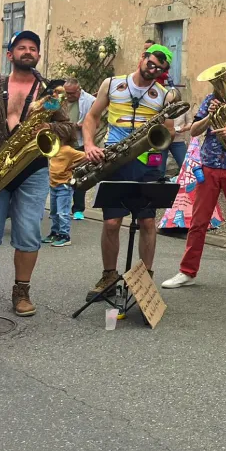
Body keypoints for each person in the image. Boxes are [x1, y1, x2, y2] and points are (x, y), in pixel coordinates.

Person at [0, 31, 68, 317]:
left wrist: (50, 130)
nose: (28, 51)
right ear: (10, 55)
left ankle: (22, 292)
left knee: (29, 233)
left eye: (33, 48)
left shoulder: (50, 92)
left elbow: (68, 129)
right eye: (22, 47)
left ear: (39, 55)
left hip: (33, 170)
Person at [81, 44, 178, 301]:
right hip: (115, 158)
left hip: (149, 164)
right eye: (152, 62)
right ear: (142, 58)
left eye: (161, 67)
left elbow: (169, 133)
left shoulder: (165, 95)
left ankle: (145, 280)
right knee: (112, 223)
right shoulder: (111, 84)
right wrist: (90, 145)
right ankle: (109, 275)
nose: (154, 68)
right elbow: (92, 117)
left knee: (147, 222)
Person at [161, 65, 226, 291]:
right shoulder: (211, 99)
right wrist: (211, 115)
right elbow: (194, 131)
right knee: (198, 222)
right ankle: (187, 272)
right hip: (209, 166)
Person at [56, 77, 96, 220]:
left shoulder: (90, 100)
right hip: (61, 143)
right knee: (59, 175)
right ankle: (59, 209)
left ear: (79, 90)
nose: (68, 96)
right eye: (67, 93)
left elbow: (93, 121)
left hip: (79, 142)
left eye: (72, 93)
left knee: (80, 176)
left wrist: (77, 126)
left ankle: (78, 209)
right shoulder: (60, 97)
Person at [42, 123, 86, 247]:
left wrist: (74, 166)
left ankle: (65, 235)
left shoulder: (68, 150)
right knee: (54, 212)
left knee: (63, 212)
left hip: (64, 186)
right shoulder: (52, 148)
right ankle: (55, 232)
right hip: (53, 184)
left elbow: (86, 156)